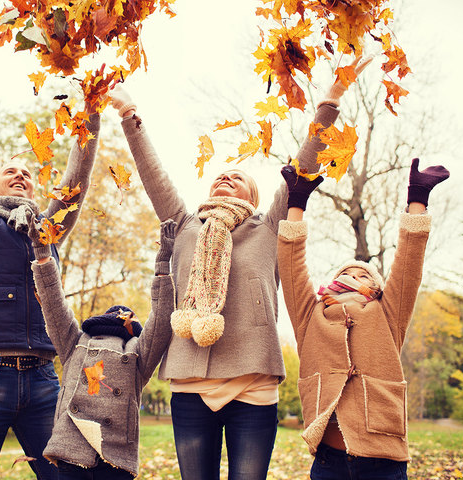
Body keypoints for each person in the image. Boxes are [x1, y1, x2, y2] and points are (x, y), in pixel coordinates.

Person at [105, 57, 370, 480]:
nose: (225, 178)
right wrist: (128, 114)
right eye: (220, 176)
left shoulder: (267, 227)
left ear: (254, 194)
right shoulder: (186, 223)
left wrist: (330, 101)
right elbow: (151, 173)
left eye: (237, 177)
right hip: (191, 381)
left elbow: (303, 166)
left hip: (253, 384)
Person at [0, 21, 100, 480]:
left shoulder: (44, 231)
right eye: (10, 171)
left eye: (27, 171)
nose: (21, 175)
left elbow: (75, 187)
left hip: (45, 380)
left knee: (69, 476)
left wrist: (91, 114)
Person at [276, 159, 449, 480]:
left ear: (377, 289)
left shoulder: (387, 312)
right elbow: (291, 266)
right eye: (346, 274)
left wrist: (417, 199)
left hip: (382, 460)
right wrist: (296, 203)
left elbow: (408, 264)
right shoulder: (311, 314)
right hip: (329, 461)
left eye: (363, 275)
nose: (354, 276)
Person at [28, 220, 176, 479]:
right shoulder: (78, 341)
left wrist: (163, 266)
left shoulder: (136, 350)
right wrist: (42, 255)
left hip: (115, 453)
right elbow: (54, 306)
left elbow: (162, 322)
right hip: (71, 445)